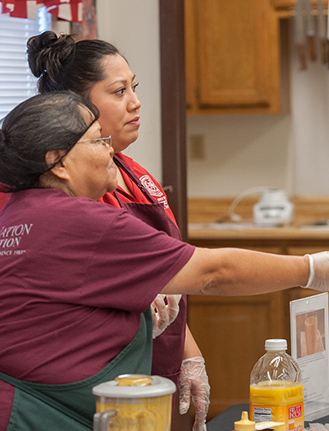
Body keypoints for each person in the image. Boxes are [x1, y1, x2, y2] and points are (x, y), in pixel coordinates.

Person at [0, 91, 329, 429]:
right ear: (58, 163)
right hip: (40, 417)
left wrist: (136, 319)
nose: (110, 149)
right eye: (99, 139)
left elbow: (52, 313)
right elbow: (214, 272)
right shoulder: (82, 221)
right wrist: (313, 269)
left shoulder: (16, 215)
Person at [24, 30, 204, 429]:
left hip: (162, 367)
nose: (136, 102)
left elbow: (171, 274)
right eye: (119, 91)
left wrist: (189, 353)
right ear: (76, 106)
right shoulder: (66, 191)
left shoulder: (134, 171)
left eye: (134, 88)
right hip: (109, 381)